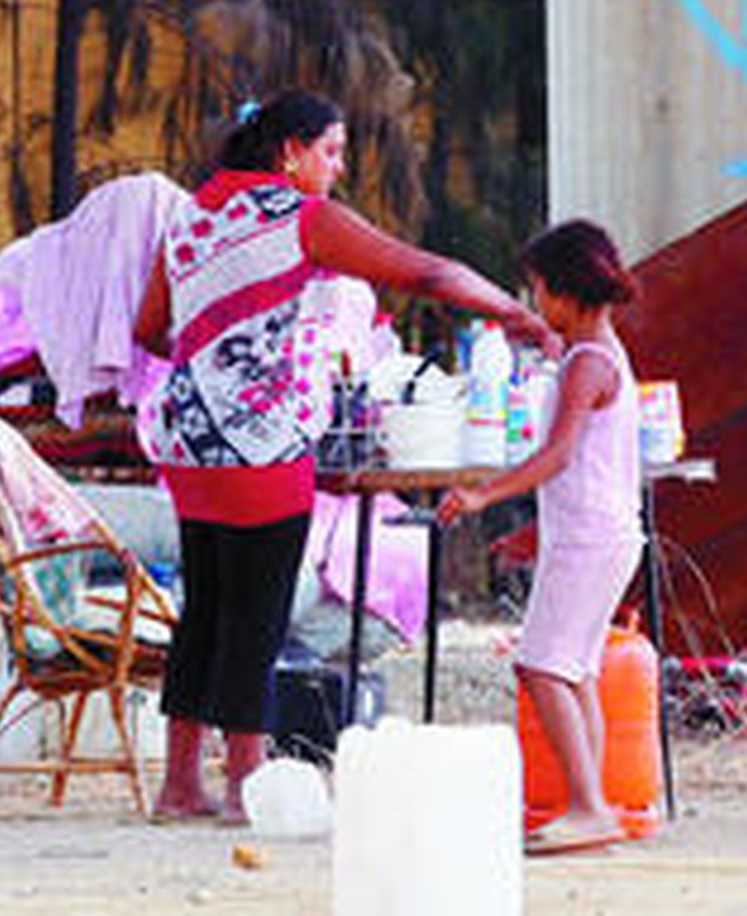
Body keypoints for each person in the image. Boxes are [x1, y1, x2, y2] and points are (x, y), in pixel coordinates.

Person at [134, 89, 553, 823]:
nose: (337, 168)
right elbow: (423, 273)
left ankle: (178, 787)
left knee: (205, 608)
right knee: (256, 615)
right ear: (288, 152)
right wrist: (513, 312)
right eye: (329, 151)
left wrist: (217, 366)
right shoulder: (304, 219)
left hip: (185, 438)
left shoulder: (192, 214)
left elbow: (149, 329)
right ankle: (244, 787)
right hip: (260, 444)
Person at [437, 219, 642, 855]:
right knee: (573, 668)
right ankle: (594, 805)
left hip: (586, 537)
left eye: (538, 292)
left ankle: (586, 805)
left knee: (540, 664)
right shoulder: (597, 354)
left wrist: (482, 494)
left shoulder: (587, 364)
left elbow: (556, 456)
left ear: (563, 291)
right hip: (602, 534)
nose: (535, 305)